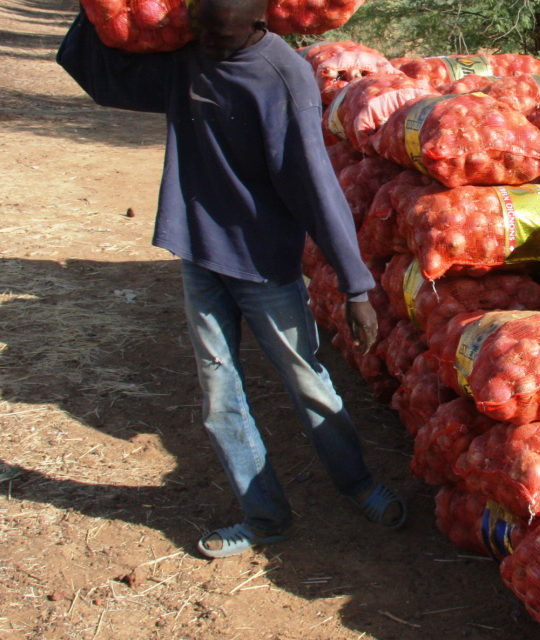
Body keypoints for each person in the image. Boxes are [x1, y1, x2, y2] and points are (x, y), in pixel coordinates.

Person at [57, 0, 406, 558]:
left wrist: (356, 285)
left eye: (222, 39)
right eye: (203, 34)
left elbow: (316, 186)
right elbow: (105, 80)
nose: (211, 48)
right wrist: (95, 13)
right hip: (200, 251)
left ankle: (357, 482)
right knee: (219, 397)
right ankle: (264, 514)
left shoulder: (283, 77)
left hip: (265, 260)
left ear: (260, 24)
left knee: (306, 379)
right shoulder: (190, 58)